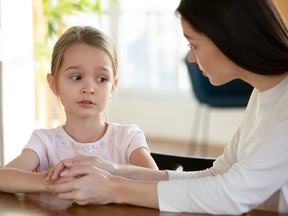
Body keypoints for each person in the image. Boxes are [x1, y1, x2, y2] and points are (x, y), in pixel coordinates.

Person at [45, 0, 288, 214]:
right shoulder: (264, 93)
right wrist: (117, 170)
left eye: (193, 45)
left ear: (228, 38)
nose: (191, 58)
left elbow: (232, 194)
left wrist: (113, 188)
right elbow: (218, 174)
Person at [0, 26, 158, 193]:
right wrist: (51, 182)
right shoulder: (44, 142)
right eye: (76, 77)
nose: (89, 88)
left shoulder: (128, 138)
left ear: (113, 86)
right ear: (53, 84)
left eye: (101, 79)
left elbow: (157, 183)